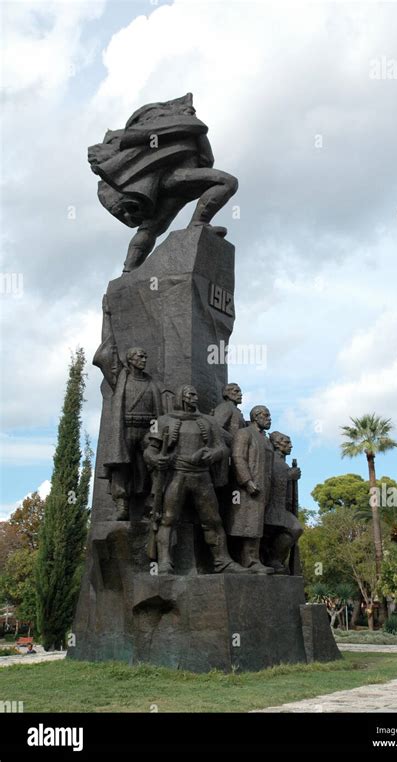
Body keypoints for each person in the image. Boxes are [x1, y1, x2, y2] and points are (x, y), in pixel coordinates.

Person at [88, 93, 238, 272]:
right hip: (174, 178)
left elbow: (207, 159)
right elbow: (205, 157)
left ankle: (129, 270)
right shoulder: (169, 127)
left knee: (150, 229)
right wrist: (193, 123)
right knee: (227, 182)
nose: (191, 110)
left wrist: (196, 127)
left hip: (180, 185)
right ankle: (199, 223)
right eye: (187, 109)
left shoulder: (188, 131)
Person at [144, 385, 250, 575]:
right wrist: (156, 459)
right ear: (181, 397)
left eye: (196, 394)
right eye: (191, 394)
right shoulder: (165, 420)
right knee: (168, 518)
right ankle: (165, 561)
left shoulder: (208, 421)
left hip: (202, 476)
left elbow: (224, 448)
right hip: (177, 474)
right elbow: (150, 450)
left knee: (213, 520)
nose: (195, 397)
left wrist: (213, 454)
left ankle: (222, 561)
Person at [93, 296, 163, 520]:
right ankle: (122, 505)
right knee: (122, 468)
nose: (144, 359)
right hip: (125, 429)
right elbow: (108, 347)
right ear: (130, 360)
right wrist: (107, 316)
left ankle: (149, 503)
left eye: (145, 356)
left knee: (148, 466)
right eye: (139, 356)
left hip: (148, 430)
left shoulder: (152, 383)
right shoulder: (120, 376)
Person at [225, 405, 275, 574]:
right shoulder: (244, 433)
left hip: (264, 487)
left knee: (256, 523)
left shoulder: (266, 439)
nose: (269, 418)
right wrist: (247, 481)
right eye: (266, 415)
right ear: (255, 416)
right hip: (248, 488)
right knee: (246, 523)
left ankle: (254, 558)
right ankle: (249, 560)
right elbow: (237, 457)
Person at [263, 431, 303, 574]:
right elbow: (267, 479)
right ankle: (273, 559)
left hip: (282, 507)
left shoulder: (284, 463)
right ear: (276, 444)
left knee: (295, 529)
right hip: (270, 507)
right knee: (295, 528)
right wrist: (288, 476)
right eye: (286, 443)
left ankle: (276, 560)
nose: (290, 445)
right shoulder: (270, 459)